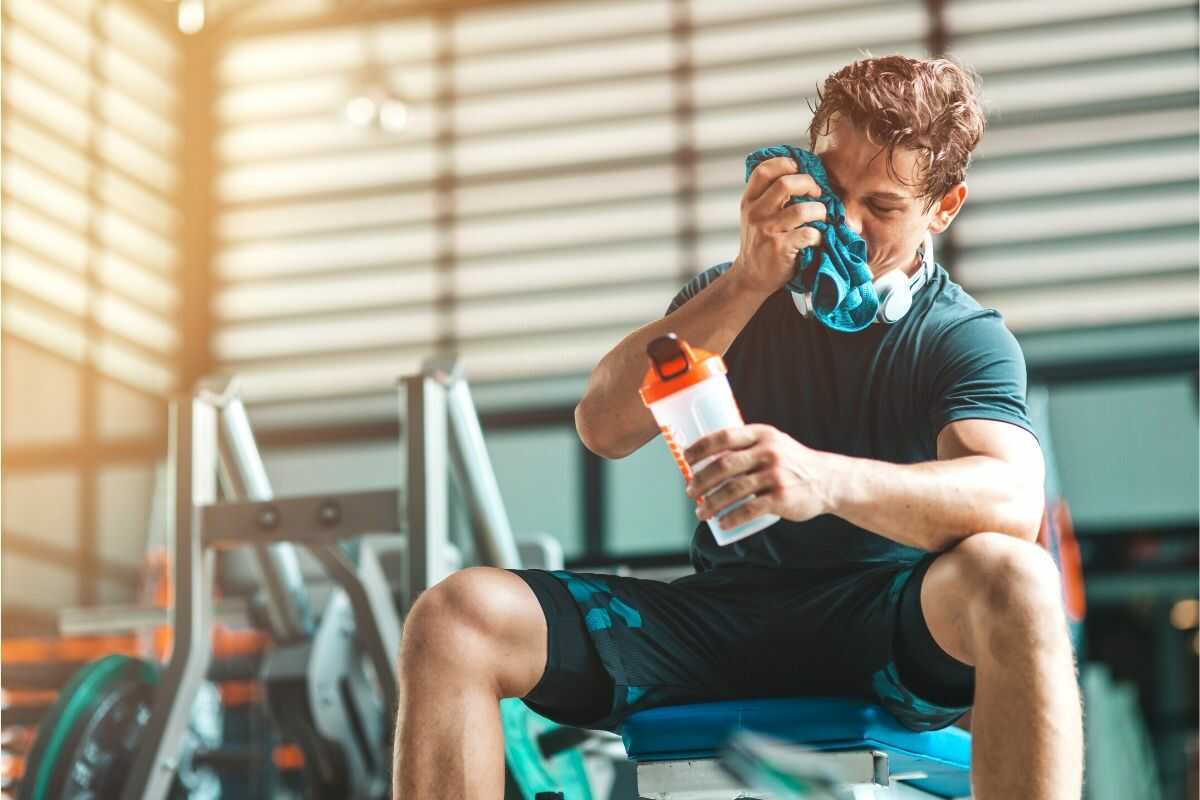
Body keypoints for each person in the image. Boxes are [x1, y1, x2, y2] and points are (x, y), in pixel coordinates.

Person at [393, 55, 1083, 800]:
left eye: (880, 207)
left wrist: (822, 479)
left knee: (1017, 578)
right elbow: (603, 426)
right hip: (720, 622)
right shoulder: (729, 299)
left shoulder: (961, 336)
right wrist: (750, 280)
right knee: (454, 618)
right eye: (831, 193)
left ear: (944, 208)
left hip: (886, 628)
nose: (844, 228)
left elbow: (1010, 500)